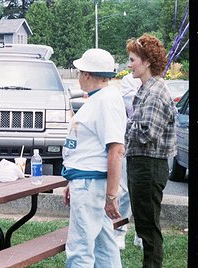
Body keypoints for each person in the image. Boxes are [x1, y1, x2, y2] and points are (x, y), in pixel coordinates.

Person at [62, 48, 127, 267]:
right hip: (87, 181)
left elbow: (116, 149)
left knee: (80, 249)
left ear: (87, 74)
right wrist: (73, 179)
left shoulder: (106, 101)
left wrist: (111, 195)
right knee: (104, 246)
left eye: (80, 71)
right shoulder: (101, 98)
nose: (79, 76)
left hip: (91, 183)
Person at [125, 33, 176, 267]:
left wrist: (124, 125)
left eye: (133, 59)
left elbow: (147, 133)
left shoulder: (155, 92)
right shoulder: (146, 89)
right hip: (143, 165)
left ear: (146, 62)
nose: (129, 64)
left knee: (148, 229)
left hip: (149, 165)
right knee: (145, 227)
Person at [114, 73, 143, 250]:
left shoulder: (157, 82)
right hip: (128, 143)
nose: (130, 64)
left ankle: (141, 234)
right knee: (126, 191)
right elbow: (130, 106)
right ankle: (120, 232)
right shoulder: (128, 81)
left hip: (147, 149)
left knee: (143, 193)